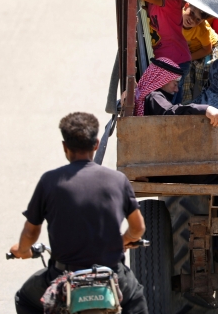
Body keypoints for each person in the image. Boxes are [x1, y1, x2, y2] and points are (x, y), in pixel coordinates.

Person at [11, 113, 148, 314]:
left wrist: (23, 250)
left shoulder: (49, 181)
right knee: (135, 297)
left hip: (63, 275)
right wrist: (124, 240)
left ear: (65, 146)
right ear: (96, 144)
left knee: (24, 299)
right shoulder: (117, 180)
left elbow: (31, 233)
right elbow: (138, 228)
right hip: (112, 274)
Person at [140, 0, 191, 104]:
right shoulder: (152, 2)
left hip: (176, 60)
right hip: (166, 61)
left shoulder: (170, 0)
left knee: (170, 105)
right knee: (164, 104)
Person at [134, 57, 218, 127]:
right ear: (162, 81)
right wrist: (205, 109)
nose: (176, 90)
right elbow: (170, 111)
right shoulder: (154, 96)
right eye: (175, 84)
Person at [181, 3, 218, 101]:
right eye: (191, 13)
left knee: (205, 74)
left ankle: (207, 102)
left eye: (198, 19)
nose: (192, 19)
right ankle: (186, 105)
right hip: (190, 50)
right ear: (186, 6)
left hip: (209, 50)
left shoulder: (202, 30)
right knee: (184, 76)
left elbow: (207, 49)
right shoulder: (175, 17)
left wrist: (188, 57)